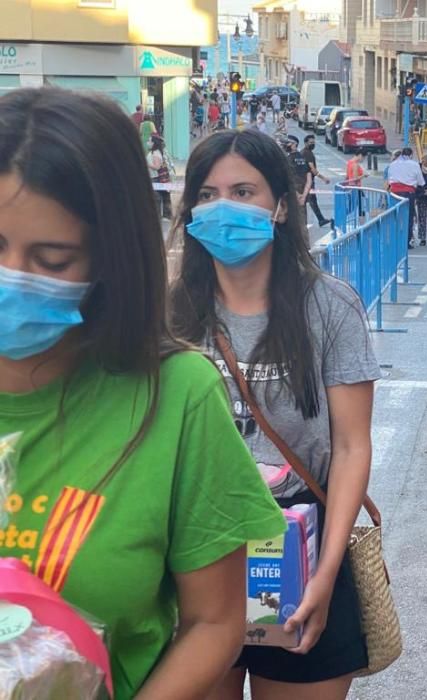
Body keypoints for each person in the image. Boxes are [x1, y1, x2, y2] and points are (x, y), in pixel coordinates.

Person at [0, 87, 285, 700]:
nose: (13, 278)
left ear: (109, 259)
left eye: (51, 259)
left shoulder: (177, 398)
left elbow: (216, 620)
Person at [169, 128, 382, 700]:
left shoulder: (330, 306)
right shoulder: (168, 313)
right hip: (192, 559)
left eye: (244, 191)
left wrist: (327, 572)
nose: (224, 208)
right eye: (208, 195)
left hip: (299, 556)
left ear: (282, 206)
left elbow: (352, 447)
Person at [386, 147, 424, 248]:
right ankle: (406, 241)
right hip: (408, 193)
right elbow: (421, 182)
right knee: (408, 217)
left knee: (395, 216)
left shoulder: (393, 164)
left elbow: (389, 179)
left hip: (394, 192)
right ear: (411, 155)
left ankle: (395, 240)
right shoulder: (414, 164)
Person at [283, 135, 311, 244]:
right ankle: (306, 246)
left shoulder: (287, 159)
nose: (287, 145)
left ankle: (296, 247)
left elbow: (287, 179)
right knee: (303, 222)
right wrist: (304, 195)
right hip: (302, 193)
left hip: (292, 193)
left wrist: (296, 194)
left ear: (294, 144)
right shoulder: (303, 157)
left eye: (288, 143)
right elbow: (309, 178)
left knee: (291, 221)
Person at [302, 135, 334, 229]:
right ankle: (317, 220)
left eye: (313, 142)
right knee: (309, 201)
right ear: (306, 143)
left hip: (305, 181)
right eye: (311, 142)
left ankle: (320, 220)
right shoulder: (307, 154)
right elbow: (312, 169)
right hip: (307, 181)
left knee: (311, 201)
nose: (313, 144)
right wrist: (323, 178)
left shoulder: (305, 152)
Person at [147, 134, 173, 220]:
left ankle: (161, 216)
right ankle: (166, 215)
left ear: (154, 143)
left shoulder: (155, 153)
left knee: (157, 197)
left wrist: (146, 164)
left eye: (150, 141)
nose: (148, 143)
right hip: (156, 177)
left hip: (156, 178)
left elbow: (157, 166)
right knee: (163, 196)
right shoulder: (155, 152)